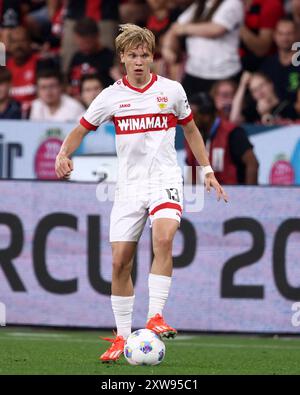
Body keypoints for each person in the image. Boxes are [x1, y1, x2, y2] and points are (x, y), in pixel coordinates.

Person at [55, 24, 227, 363]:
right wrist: (64, 153)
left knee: (163, 239)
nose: (138, 61)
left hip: (164, 178)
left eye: (144, 55)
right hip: (129, 187)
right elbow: (81, 129)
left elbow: (190, 129)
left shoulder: (172, 91)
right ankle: (121, 338)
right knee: (121, 263)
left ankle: (155, 316)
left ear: (152, 58)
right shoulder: (110, 96)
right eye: (132, 55)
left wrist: (206, 169)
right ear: (122, 57)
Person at [161, 0, 244, 96]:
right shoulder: (200, 4)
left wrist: (184, 29)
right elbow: (174, 28)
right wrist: (166, 48)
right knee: (186, 109)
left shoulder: (233, 2)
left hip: (223, 74)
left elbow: (216, 29)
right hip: (193, 72)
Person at [187, 92, 258, 185]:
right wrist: (189, 195)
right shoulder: (191, 136)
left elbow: (252, 163)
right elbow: (190, 167)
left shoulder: (233, 133)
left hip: (233, 195)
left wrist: (251, 193)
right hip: (205, 195)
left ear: (206, 116)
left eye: (193, 117)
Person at [68, 17, 115, 98]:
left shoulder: (109, 57)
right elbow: (69, 84)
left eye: (87, 43)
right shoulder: (77, 56)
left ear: (96, 36)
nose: (83, 46)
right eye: (80, 42)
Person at [231, 71, 299, 125]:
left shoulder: (289, 107)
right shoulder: (253, 112)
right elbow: (234, 120)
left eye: (261, 86)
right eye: (254, 90)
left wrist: (265, 114)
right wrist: (242, 85)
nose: (259, 92)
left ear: (271, 84)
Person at [260, 17, 300, 105]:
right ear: (274, 36)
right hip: (272, 116)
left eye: (289, 33)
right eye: (280, 33)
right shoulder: (267, 65)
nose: (285, 38)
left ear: (297, 35)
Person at [240, 0, 284, 72]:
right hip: (229, 62)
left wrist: (237, 25)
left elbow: (262, 49)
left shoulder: (271, 5)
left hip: (257, 68)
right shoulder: (233, 3)